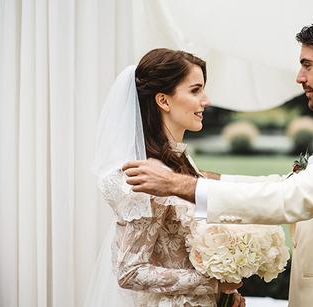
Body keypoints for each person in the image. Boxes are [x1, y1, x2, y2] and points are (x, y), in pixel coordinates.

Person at [122, 17, 313, 307]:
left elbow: (290, 197)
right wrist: (212, 180)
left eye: (307, 64)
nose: (299, 77)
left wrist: (179, 184)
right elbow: (290, 184)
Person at [87, 48, 245, 307]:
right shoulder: (144, 176)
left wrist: (226, 295)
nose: (205, 100)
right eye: (195, 90)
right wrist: (213, 283)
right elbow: (129, 271)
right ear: (164, 100)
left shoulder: (181, 161)